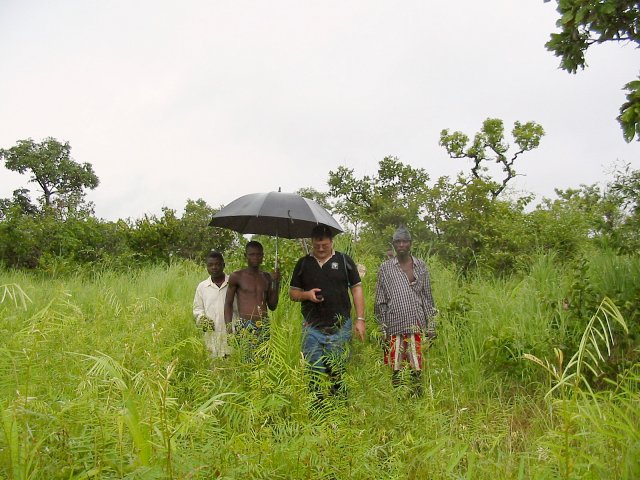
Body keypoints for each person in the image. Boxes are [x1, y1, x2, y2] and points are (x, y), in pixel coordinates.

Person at [289, 225, 366, 398]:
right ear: (312, 243)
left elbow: (356, 289)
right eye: (317, 245)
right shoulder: (303, 264)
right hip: (312, 328)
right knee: (314, 372)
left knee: (337, 372)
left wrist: (360, 319)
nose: (321, 248)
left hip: (340, 328)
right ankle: (318, 412)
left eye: (325, 245)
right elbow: (292, 294)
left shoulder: (344, 261)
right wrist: (306, 295)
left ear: (332, 242)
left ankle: (339, 412)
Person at [374, 226, 437, 396]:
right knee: (396, 367)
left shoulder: (420, 266)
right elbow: (380, 301)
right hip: (394, 325)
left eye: (405, 241)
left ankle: (417, 399)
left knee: (416, 367)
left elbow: (427, 297)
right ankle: (398, 401)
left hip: (417, 324)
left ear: (410, 244)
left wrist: (431, 326)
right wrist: (382, 328)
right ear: (393, 244)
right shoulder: (386, 268)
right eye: (397, 242)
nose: (401, 245)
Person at [224, 241, 280, 347]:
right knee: (246, 360)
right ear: (246, 256)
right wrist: (229, 331)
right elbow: (228, 304)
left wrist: (276, 283)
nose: (256, 257)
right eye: (252, 254)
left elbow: (273, 306)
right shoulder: (237, 276)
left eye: (259, 254)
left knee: (263, 360)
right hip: (245, 325)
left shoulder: (266, 277)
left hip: (263, 324)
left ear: (263, 256)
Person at [193, 250, 234, 360]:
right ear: (206, 267)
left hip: (231, 335)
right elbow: (197, 310)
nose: (214, 267)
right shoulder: (202, 287)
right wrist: (202, 320)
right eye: (210, 265)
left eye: (217, 264)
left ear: (223, 265)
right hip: (212, 337)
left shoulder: (233, 283)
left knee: (233, 368)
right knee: (214, 369)